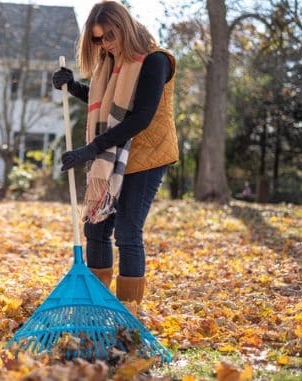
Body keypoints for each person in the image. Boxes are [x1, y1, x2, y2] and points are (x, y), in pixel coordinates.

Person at [52, 1, 178, 312]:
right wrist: (72, 86)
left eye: (109, 35)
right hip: (115, 155)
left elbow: (139, 118)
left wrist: (91, 149)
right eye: (99, 39)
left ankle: (129, 313)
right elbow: (107, 104)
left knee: (127, 230)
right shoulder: (111, 63)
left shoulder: (155, 61)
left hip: (147, 154)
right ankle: (97, 305)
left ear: (124, 27)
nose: (106, 43)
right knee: (95, 228)